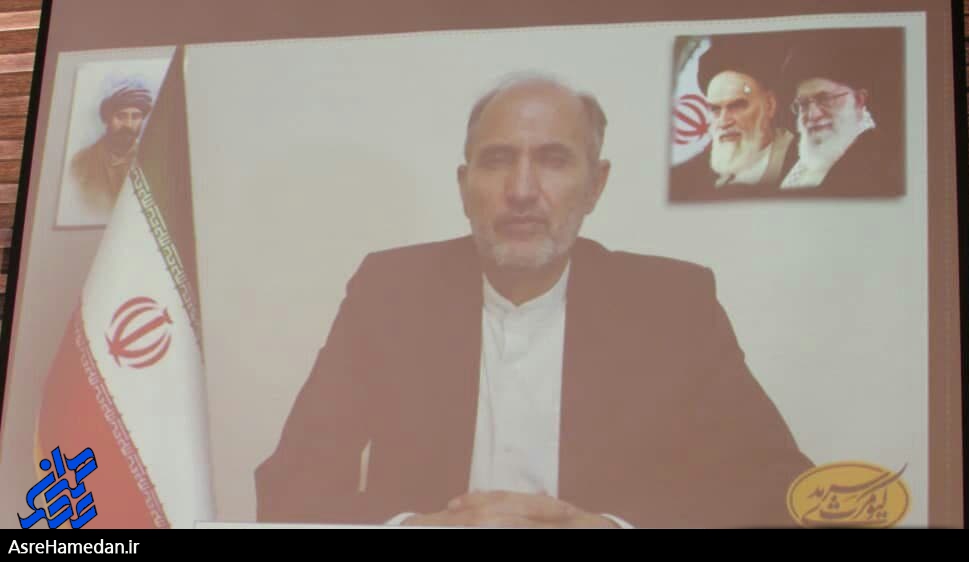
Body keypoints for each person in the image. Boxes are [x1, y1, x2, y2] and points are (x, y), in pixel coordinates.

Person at [254, 72, 814, 528]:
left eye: (553, 160)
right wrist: (413, 528)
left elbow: (779, 488)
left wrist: (616, 528)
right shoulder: (390, 292)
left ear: (595, 185)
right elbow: (290, 484)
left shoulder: (672, 305)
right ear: (464, 185)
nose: (521, 191)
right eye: (498, 160)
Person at [778, 28, 904, 196]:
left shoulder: (881, 162)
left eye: (825, 99)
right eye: (803, 104)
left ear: (858, 100)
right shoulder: (795, 159)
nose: (813, 115)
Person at [669, 34, 795, 201]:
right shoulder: (689, 179)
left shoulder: (801, 161)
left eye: (737, 106)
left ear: (769, 105)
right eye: (715, 109)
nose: (723, 121)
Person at [69, 76, 154, 218]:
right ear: (106, 119)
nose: (128, 124)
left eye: (135, 117)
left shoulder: (152, 161)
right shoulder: (81, 162)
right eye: (120, 116)